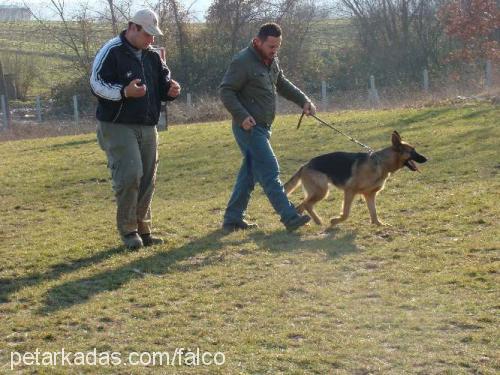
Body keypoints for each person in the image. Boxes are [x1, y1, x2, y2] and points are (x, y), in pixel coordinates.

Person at [90, 8, 181, 249]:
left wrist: (170, 91)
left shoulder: (152, 56)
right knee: (130, 175)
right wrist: (124, 92)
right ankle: (129, 231)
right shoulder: (111, 51)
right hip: (117, 124)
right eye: (147, 34)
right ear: (132, 28)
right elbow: (96, 84)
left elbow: (163, 83)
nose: (151, 40)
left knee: (148, 178)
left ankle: (144, 229)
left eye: (153, 35)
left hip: (147, 124)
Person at [220, 22, 317, 232]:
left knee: (249, 173)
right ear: (257, 41)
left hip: (264, 127)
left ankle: (233, 218)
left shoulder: (271, 61)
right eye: (271, 46)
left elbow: (281, 83)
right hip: (248, 128)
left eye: (278, 47)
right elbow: (226, 91)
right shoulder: (242, 61)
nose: (275, 51)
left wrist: (304, 101)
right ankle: (289, 216)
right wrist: (242, 116)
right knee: (270, 169)